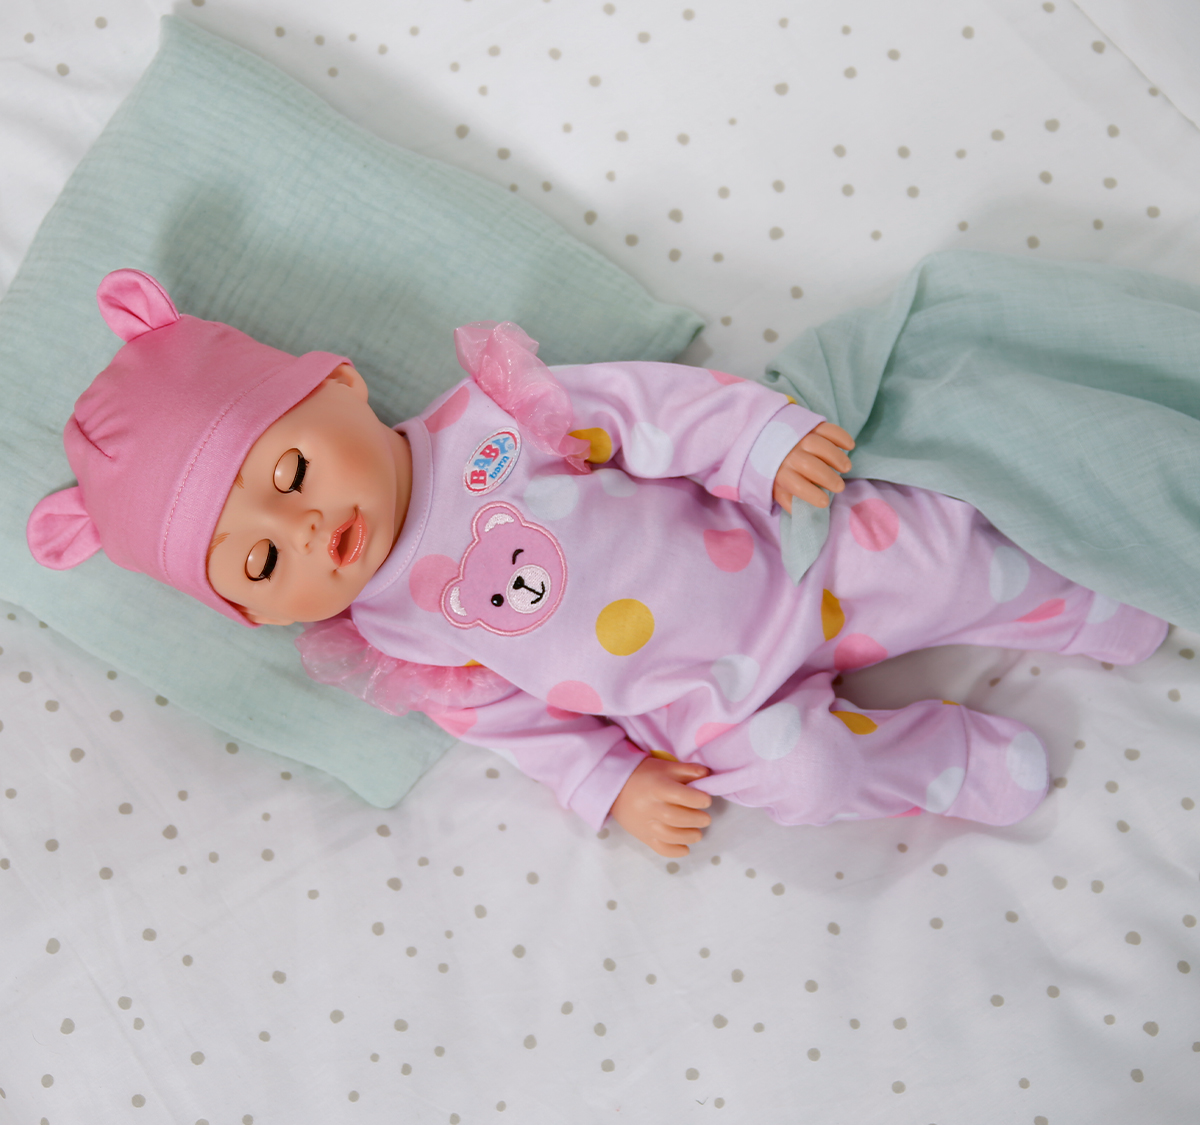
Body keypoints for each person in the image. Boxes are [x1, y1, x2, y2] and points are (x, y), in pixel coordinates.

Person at [28, 270, 1168, 856]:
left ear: (337, 385)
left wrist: (758, 441)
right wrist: (608, 784)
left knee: (939, 558)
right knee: (805, 782)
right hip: (710, 706)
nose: (306, 523)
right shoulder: (395, 636)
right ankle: (945, 763)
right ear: (261, 616)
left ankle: (1084, 602)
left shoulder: (489, 417)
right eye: (262, 561)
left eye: (287, 472)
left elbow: (644, 410)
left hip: (785, 559)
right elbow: (514, 722)